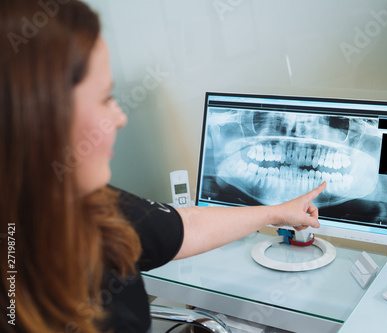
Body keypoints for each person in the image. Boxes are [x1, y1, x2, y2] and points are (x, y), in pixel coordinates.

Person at [0, 1, 326, 332]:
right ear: (40, 118)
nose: (121, 117)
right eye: (104, 98)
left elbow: (185, 226)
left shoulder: (91, 203)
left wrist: (276, 213)